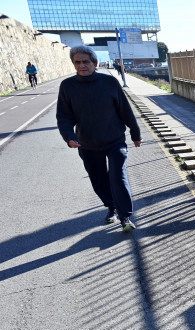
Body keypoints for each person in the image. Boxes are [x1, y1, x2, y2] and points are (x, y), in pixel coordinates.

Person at [56, 45, 142, 231]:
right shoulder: (67, 86)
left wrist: (135, 133)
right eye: (77, 62)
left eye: (85, 61)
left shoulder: (109, 83)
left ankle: (125, 217)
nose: (81, 65)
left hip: (114, 140)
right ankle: (111, 206)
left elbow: (125, 110)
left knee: (118, 176)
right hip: (87, 143)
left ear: (94, 63)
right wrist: (69, 136)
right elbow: (64, 116)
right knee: (98, 181)